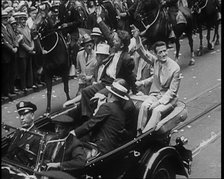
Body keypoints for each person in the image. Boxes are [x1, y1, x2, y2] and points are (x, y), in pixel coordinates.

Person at [79, 9, 137, 121]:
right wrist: (99, 20)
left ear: (121, 45)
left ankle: (97, 121)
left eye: (115, 41)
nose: (112, 42)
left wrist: (135, 91)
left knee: (97, 97)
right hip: (105, 81)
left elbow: (130, 77)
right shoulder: (115, 50)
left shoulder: (126, 59)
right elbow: (108, 34)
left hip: (114, 85)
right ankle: (87, 118)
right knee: (86, 92)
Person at [132, 25, 181, 134]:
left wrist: (159, 102)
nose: (163, 54)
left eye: (164, 51)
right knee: (144, 106)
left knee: (156, 110)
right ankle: (139, 132)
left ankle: (147, 134)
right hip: (155, 95)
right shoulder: (156, 61)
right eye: (160, 52)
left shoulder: (175, 68)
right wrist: (136, 38)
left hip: (168, 99)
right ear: (155, 54)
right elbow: (143, 52)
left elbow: (172, 92)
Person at [71, 80, 133, 154]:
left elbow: (91, 124)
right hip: (112, 145)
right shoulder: (121, 110)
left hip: (102, 146)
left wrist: (74, 132)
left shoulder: (107, 106)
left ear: (110, 95)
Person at [5, 101, 42, 167]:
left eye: (24, 114)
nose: (21, 118)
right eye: (20, 115)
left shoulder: (37, 137)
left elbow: (32, 162)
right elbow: (9, 152)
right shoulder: (18, 132)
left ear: (32, 115)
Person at [1, 10, 18, 100]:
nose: (6, 20)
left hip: (12, 53)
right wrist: (12, 48)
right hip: (5, 55)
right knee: (5, 74)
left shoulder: (9, 26)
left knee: (13, 72)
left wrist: (16, 46)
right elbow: (4, 42)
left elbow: (14, 37)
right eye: (3, 18)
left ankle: (11, 90)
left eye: (7, 18)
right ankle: (5, 92)